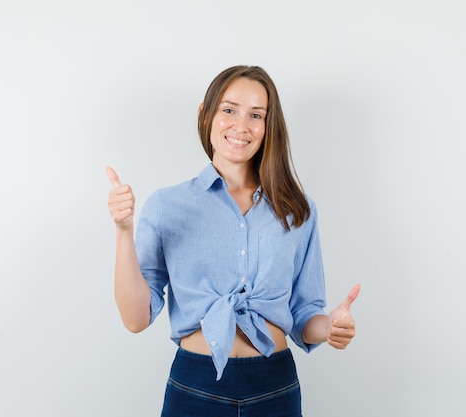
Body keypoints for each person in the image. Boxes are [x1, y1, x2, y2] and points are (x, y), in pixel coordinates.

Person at [106, 65, 360, 417]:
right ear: (206, 114)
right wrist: (123, 231)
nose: (241, 126)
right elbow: (135, 319)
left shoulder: (297, 210)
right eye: (229, 110)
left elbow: (303, 316)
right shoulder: (167, 206)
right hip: (195, 387)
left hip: (275, 387)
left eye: (256, 115)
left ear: (269, 127)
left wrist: (330, 326)